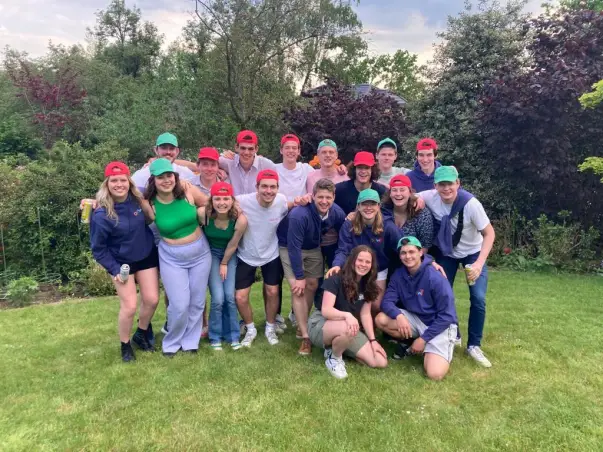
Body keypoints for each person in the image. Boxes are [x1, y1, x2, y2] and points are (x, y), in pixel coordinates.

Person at [418, 166, 496, 368]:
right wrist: (415, 200)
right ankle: (453, 334)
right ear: (435, 186)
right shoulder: (430, 196)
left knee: (478, 297)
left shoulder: (471, 204)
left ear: (458, 184)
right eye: (441, 184)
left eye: (450, 184)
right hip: (447, 253)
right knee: (443, 294)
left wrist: (479, 263)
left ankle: (474, 345)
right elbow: (400, 193)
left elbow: (489, 233)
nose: (446, 189)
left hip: (473, 252)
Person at [90, 161, 159, 362]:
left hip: (146, 256)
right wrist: (114, 269)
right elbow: (98, 249)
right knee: (129, 306)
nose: (119, 184)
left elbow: (163, 189)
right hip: (121, 264)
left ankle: (142, 332)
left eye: (122, 180)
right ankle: (125, 344)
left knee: (152, 300)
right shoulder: (101, 213)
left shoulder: (138, 200)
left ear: (129, 182)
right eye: (114, 180)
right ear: (107, 184)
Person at [141, 158, 211, 357]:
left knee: (197, 302)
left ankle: (191, 342)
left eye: (169, 175)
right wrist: (96, 202)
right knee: (179, 304)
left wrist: (201, 213)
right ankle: (172, 342)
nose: (166, 180)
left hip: (200, 253)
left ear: (175, 176)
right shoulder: (149, 203)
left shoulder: (188, 191)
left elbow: (210, 204)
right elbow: (124, 197)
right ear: (153, 180)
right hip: (172, 257)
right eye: (161, 177)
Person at [277, 178, 345, 355]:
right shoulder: (300, 214)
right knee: (298, 288)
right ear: (313, 196)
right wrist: (299, 277)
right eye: (320, 197)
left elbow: (345, 230)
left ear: (334, 197)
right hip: (290, 246)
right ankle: (305, 336)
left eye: (328, 197)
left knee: (313, 284)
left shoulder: (336, 212)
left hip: (313, 247)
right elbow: (293, 247)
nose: (324, 201)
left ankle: (303, 321)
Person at [376, 236, 458, 380]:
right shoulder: (399, 274)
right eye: (403, 253)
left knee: (435, 374)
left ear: (421, 253)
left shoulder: (436, 277)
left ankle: (437, 344)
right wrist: (399, 316)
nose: (408, 256)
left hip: (439, 325)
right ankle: (415, 344)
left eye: (412, 252)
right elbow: (387, 302)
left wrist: (423, 339)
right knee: (381, 319)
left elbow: (447, 316)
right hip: (417, 319)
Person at [235, 169, 300, 347]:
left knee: (272, 291)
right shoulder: (242, 201)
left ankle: (270, 327)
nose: (268, 191)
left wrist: (303, 199)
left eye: (273, 187)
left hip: (271, 253)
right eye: (264, 186)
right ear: (257, 187)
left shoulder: (280, 200)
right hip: (246, 254)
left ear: (278, 188)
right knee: (240, 297)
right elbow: (218, 201)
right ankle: (250, 329)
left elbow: (291, 204)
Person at [308, 245, 388, 379]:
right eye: (360, 260)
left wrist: (373, 340)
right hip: (321, 324)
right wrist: (347, 316)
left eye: (368, 262)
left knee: (380, 361)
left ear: (372, 265)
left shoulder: (368, 284)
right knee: (348, 326)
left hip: (348, 327)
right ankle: (334, 358)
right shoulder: (336, 277)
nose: (363, 265)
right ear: (352, 261)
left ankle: (336, 347)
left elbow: (365, 314)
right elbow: (326, 310)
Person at [328, 189, 400, 312]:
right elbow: (343, 249)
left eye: (372, 204)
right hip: (355, 268)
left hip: (379, 269)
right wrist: (336, 265)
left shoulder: (387, 226)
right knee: (352, 302)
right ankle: (354, 325)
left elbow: (403, 246)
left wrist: (426, 260)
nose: (368, 208)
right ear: (358, 206)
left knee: (376, 306)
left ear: (378, 206)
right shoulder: (349, 224)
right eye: (364, 204)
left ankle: (370, 326)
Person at [198, 182, 248, 351]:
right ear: (211, 200)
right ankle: (215, 336)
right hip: (210, 254)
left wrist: (225, 262)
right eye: (217, 198)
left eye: (226, 198)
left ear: (232, 200)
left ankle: (233, 335)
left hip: (229, 255)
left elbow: (233, 244)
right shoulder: (203, 214)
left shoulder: (239, 220)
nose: (222, 202)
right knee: (218, 298)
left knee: (229, 296)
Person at [381, 174, 433, 273]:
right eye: (394, 190)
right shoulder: (382, 209)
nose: (398, 194)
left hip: (411, 263)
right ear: (390, 193)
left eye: (402, 190)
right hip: (385, 262)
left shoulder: (422, 214)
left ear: (410, 192)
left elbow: (425, 246)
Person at [219, 130, 277, 196]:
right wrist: (217, 169)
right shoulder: (229, 161)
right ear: (236, 148)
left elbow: (276, 190)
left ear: (256, 149)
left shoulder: (267, 166)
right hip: (234, 205)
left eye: (250, 149)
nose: (246, 152)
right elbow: (208, 162)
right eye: (243, 148)